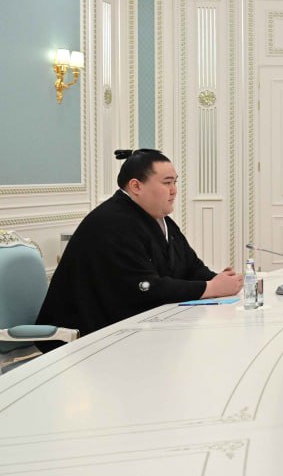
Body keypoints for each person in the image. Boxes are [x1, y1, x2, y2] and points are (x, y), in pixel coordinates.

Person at [36, 149, 242, 347]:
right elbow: (145, 288)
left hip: (136, 328)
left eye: (175, 182)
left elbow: (190, 266)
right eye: (167, 183)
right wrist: (211, 288)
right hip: (87, 338)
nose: (174, 190)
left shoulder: (160, 219)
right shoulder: (111, 222)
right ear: (136, 186)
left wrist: (221, 281)